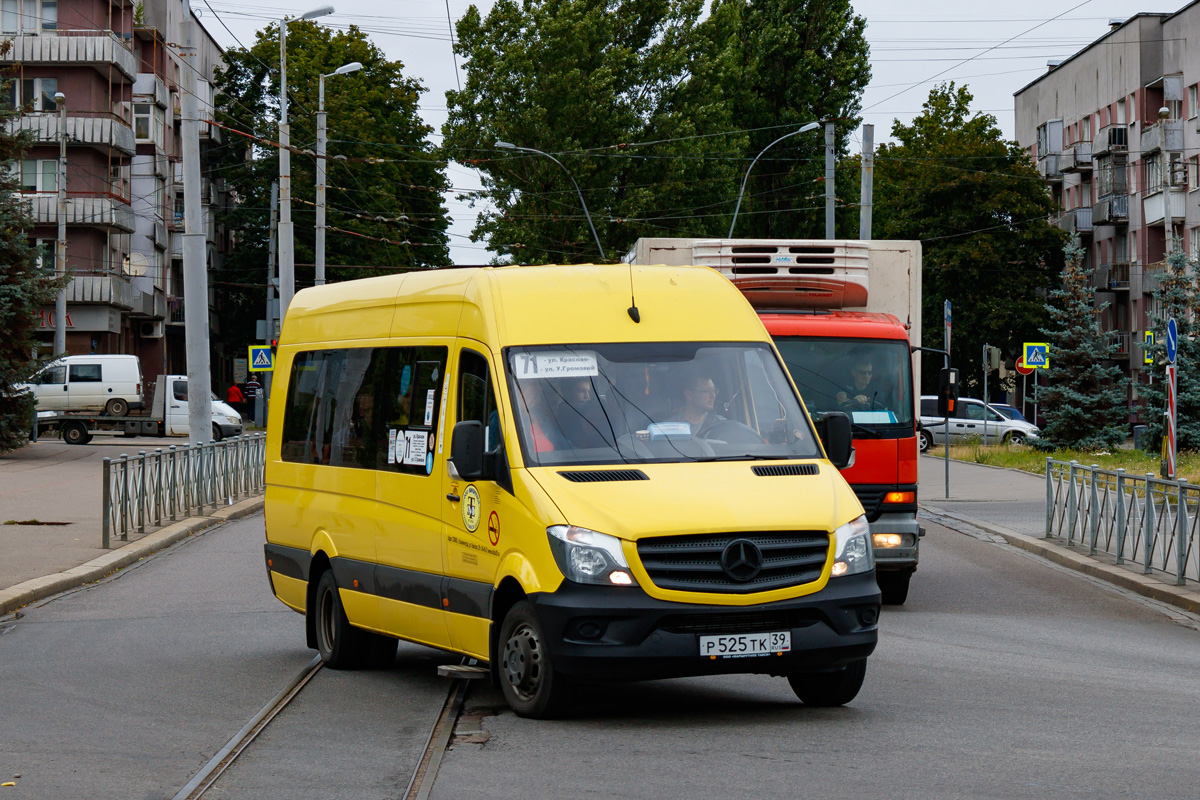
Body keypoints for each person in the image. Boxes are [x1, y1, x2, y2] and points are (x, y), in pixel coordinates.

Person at [556, 377, 612, 449]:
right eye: (581, 391)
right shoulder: (564, 416)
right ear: (567, 393)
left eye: (589, 392)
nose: (587, 396)